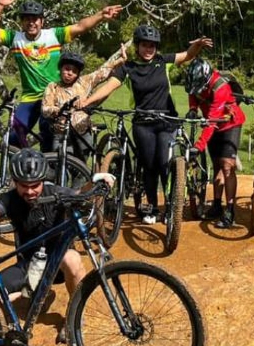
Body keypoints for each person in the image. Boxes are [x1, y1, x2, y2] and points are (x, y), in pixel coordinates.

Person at [76, 25, 212, 225]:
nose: (148, 49)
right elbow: (109, 87)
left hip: (167, 121)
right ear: (138, 46)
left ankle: (170, 207)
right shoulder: (128, 68)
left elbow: (187, 56)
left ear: (156, 48)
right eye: (144, 45)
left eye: (152, 46)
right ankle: (153, 206)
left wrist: (198, 46)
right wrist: (87, 102)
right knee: (148, 166)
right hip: (143, 123)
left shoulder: (163, 61)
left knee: (164, 164)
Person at [0, 0, 122, 150]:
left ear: (42, 21)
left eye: (35, 19)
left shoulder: (54, 35)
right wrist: (0, 4)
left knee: (48, 136)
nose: (31, 23)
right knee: (14, 136)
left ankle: (46, 172)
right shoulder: (15, 39)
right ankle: (24, 169)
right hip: (30, 98)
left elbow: (81, 26)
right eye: (27, 19)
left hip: (54, 96)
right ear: (22, 22)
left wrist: (101, 16)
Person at [0, 148, 114, 301]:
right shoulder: (9, 199)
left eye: (35, 185)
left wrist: (94, 181)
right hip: (29, 266)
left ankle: (74, 316)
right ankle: (32, 292)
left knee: (72, 258)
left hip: (59, 264)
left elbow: (79, 193)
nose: (30, 191)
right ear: (15, 182)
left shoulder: (54, 192)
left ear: (42, 180)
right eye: (24, 185)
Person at [184, 58, 246, 229]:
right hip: (213, 124)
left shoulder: (220, 88)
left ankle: (230, 210)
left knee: (227, 166)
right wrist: (192, 109)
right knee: (217, 166)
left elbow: (212, 121)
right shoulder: (196, 81)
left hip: (229, 124)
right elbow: (193, 94)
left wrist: (199, 146)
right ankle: (217, 205)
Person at [40, 47, 127, 162]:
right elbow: (45, 109)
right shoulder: (53, 87)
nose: (70, 73)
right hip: (61, 134)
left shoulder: (84, 82)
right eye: (67, 69)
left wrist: (118, 61)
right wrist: (59, 109)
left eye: (74, 71)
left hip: (83, 134)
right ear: (60, 69)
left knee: (80, 169)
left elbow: (102, 71)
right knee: (60, 165)